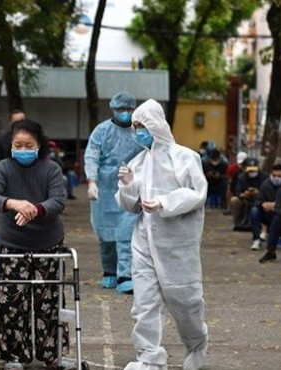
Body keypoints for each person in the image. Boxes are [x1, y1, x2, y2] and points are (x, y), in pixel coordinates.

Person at [115, 99, 208, 370]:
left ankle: (197, 343)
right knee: (145, 303)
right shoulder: (138, 162)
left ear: (155, 124)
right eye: (134, 127)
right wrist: (128, 185)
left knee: (185, 302)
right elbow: (129, 205)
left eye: (142, 125)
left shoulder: (184, 157)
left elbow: (197, 193)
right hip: (144, 241)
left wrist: (164, 202)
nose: (138, 131)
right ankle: (149, 357)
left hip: (177, 244)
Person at [0, 119, 68, 369]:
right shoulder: (3, 168)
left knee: (49, 301)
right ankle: (14, 356)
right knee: (11, 301)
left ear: (39, 145)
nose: (22, 149)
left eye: (28, 145)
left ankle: (52, 354)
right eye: (17, 145)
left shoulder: (51, 169)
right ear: (10, 145)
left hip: (48, 242)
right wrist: (14, 203)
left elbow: (58, 201)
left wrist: (36, 210)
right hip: (13, 244)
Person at [84, 92, 144, 294]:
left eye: (128, 109)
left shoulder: (139, 132)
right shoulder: (101, 131)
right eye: (121, 109)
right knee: (106, 235)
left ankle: (125, 275)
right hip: (104, 190)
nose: (125, 113)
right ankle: (109, 271)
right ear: (112, 109)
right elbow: (92, 156)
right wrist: (92, 181)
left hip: (129, 187)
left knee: (126, 234)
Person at [249, 164, 281, 250]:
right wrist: (263, 204)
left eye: (279, 176)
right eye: (274, 175)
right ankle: (256, 239)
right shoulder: (265, 185)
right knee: (254, 211)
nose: (276, 178)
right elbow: (258, 201)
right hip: (267, 214)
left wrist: (276, 205)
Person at [229, 158, 266, 231]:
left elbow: (266, 193)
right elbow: (237, 192)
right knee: (234, 200)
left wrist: (258, 193)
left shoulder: (264, 177)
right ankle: (237, 222)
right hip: (245, 199)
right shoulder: (241, 177)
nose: (252, 172)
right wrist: (244, 194)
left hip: (259, 200)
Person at [0, 109, 26, 173]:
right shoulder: (1, 141)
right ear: (10, 122)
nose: (20, 124)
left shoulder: (35, 137)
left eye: (22, 121)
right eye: (16, 122)